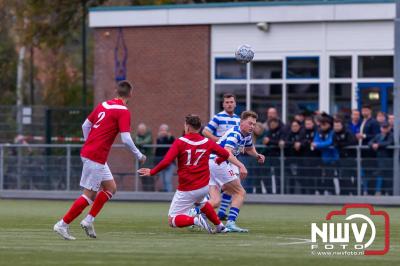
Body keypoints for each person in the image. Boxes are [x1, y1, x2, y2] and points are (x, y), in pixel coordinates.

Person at [53, 80, 146, 240]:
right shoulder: (123, 111)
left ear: (116, 92)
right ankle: (62, 224)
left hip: (93, 154)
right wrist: (139, 155)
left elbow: (85, 125)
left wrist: (90, 143)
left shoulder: (103, 105)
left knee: (110, 188)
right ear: (130, 94)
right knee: (89, 195)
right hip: (95, 156)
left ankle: (88, 221)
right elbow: (125, 138)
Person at [138, 115, 246, 233]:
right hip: (204, 187)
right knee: (202, 204)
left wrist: (152, 171)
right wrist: (219, 160)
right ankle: (220, 226)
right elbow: (225, 154)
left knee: (172, 219)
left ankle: (195, 220)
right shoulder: (207, 142)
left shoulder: (180, 142)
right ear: (199, 128)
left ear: (187, 127)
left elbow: (166, 161)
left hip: (187, 187)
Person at [208, 111, 265, 232]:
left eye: (254, 124)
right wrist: (241, 166)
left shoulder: (247, 134)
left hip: (213, 162)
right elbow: (227, 152)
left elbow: (249, 148)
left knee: (216, 200)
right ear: (241, 122)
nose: (252, 126)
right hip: (218, 162)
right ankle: (230, 223)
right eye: (250, 123)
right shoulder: (235, 134)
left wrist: (257, 155)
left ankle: (194, 213)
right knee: (240, 192)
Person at [202, 93, 240, 220]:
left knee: (233, 185)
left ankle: (222, 211)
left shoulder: (238, 120)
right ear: (223, 104)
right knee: (232, 185)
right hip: (219, 157)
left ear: (235, 104)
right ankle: (209, 203)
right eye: (227, 102)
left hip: (231, 157)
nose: (229, 104)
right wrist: (217, 139)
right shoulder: (218, 117)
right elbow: (205, 131)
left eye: (231, 102)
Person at [311, 113, 339, 195]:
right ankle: (322, 192)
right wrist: (318, 145)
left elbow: (330, 142)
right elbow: (315, 141)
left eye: (324, 124)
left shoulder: (333, 132)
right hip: (322, 158)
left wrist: (318, 145)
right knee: (322, 176)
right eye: (321, 124)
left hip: (333, 159)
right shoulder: (318, 131)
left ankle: (333, 192)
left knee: (330, 176)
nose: (322, 126)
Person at [333, 118, 357, 195]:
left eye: (338, 126)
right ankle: (344, 192)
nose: (336, 127)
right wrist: (339, 145)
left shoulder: (348, 132)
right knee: (342, 176)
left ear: (342, 126)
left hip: (350, 158)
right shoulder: (334, 134)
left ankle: (353, 192)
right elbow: (335, 143)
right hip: (341, 158)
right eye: (335, 126)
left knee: (349, 175)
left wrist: (341, 144)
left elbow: (352, 142)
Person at [368, 122, 394, 196]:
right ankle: (372, 194)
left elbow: (389, 142)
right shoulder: (378, 135)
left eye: (386, 127)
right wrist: (373, 144)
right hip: (379, 161)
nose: (384, 129)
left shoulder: (391, 135)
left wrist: (378, 145)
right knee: (375, 177)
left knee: (388, 180)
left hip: (388, 161)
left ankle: (390, 195)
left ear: (389, 128)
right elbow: (370, 142)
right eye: (383, 127)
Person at [154, 124, 175, 192]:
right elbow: (158, 150)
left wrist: (167, 136)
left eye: (164, 130)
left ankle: (169, 196)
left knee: (167, 180)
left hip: (170, 163)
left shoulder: (171, 138)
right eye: (161, 130)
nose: (163, 132)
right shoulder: (159, 139)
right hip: (161, 162)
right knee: (163, 180)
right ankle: (166, 194)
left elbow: (171, 147)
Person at [135, 123, 154, 191]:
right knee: (142, 177)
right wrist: (141, 143)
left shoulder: (149, 135)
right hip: (140, 162)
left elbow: (147, 141)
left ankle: (151, 191)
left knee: (149, 177)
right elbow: (136, 142)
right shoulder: (137, 136)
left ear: (145, 130)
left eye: (142, 130)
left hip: (149, 161)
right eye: (140, 130)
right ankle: (145, 191)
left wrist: (141, 143)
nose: (141, 131)